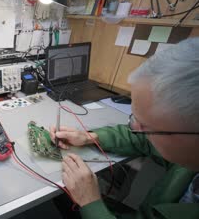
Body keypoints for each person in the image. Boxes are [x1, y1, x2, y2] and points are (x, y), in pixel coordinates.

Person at [49, 38, 199, 218]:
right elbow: (141, 138)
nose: (134, 128)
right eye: (135, 117)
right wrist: (90, 137)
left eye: (146, 125)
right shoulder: (187, 145)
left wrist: (90, 203)